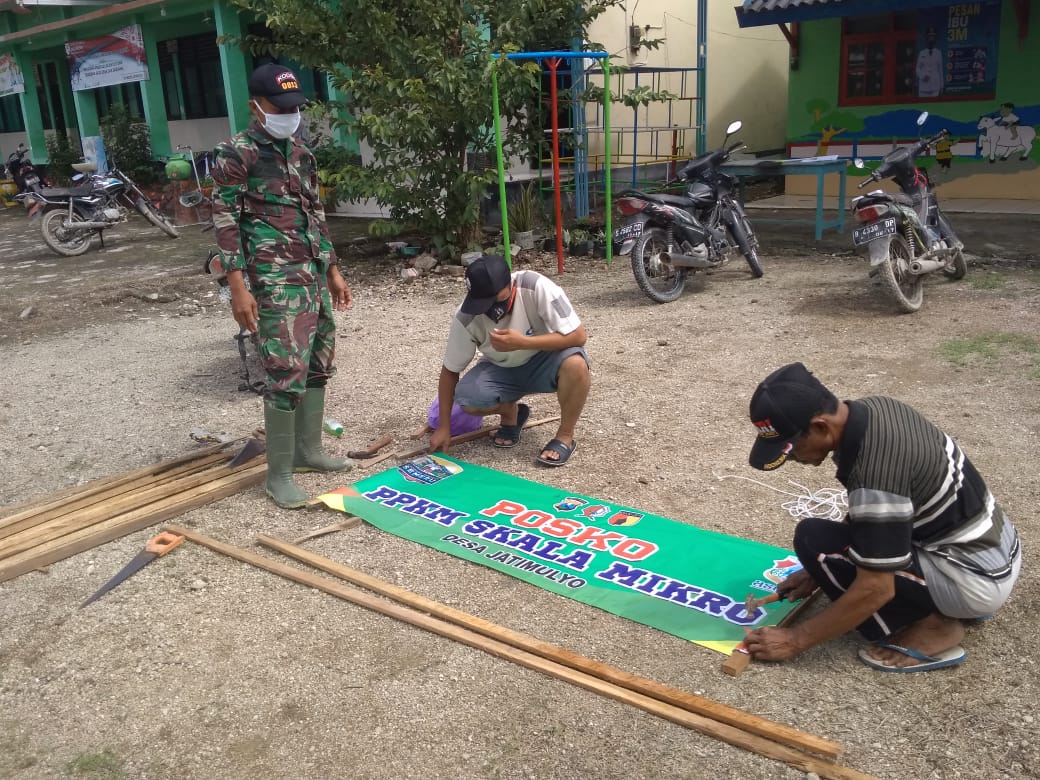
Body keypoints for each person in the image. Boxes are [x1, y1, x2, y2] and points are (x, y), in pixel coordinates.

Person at [742, 363, 1021, 672]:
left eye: (792, 449)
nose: (792, 458)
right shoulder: (878, 409)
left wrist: (795, 639)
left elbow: (877, 588)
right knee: (819, 553)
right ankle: (946, 599)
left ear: (821, 427)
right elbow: (881, 512)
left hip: (975, 578)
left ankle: (935, 626)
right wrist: (814, 574)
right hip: (997, 550)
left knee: (813, 542)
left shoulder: (874, 474)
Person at [211, 63, 353, 509]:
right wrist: (238, 286)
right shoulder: (238, 154)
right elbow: (224, 219)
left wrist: (332, 269)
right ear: (256, 106)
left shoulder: (301, 154)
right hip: (272, 278)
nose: (289, 115)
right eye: (280, 107)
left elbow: (316, 214)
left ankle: (309, 452)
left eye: (294, 108)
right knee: (284, 367)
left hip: (310, 273)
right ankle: (279, 474)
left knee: (318, 361)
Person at [429, 254, 591, 467]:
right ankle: (511, 412)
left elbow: (578, 336)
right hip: (500, 368)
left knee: (577, 365)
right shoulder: (466, 315)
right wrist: (444, 427)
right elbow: (450, 370)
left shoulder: (536, 286)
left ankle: (565, 436)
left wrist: (523, 342)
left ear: (511, 285)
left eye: (494, 299)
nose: (488, 309)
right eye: (481, 302)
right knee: (468, 397)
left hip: (544, 360)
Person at [916, 27, 944, 98]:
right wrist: (922, 75)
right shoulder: (922, 53)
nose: (931, 38)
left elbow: (940, 70)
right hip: (923, 87)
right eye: (929, 36)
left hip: (935, 86)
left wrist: (941, 86)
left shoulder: (938, 53)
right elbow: (917, 69)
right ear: (926, 38)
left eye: (932, 36)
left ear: (935, 38)